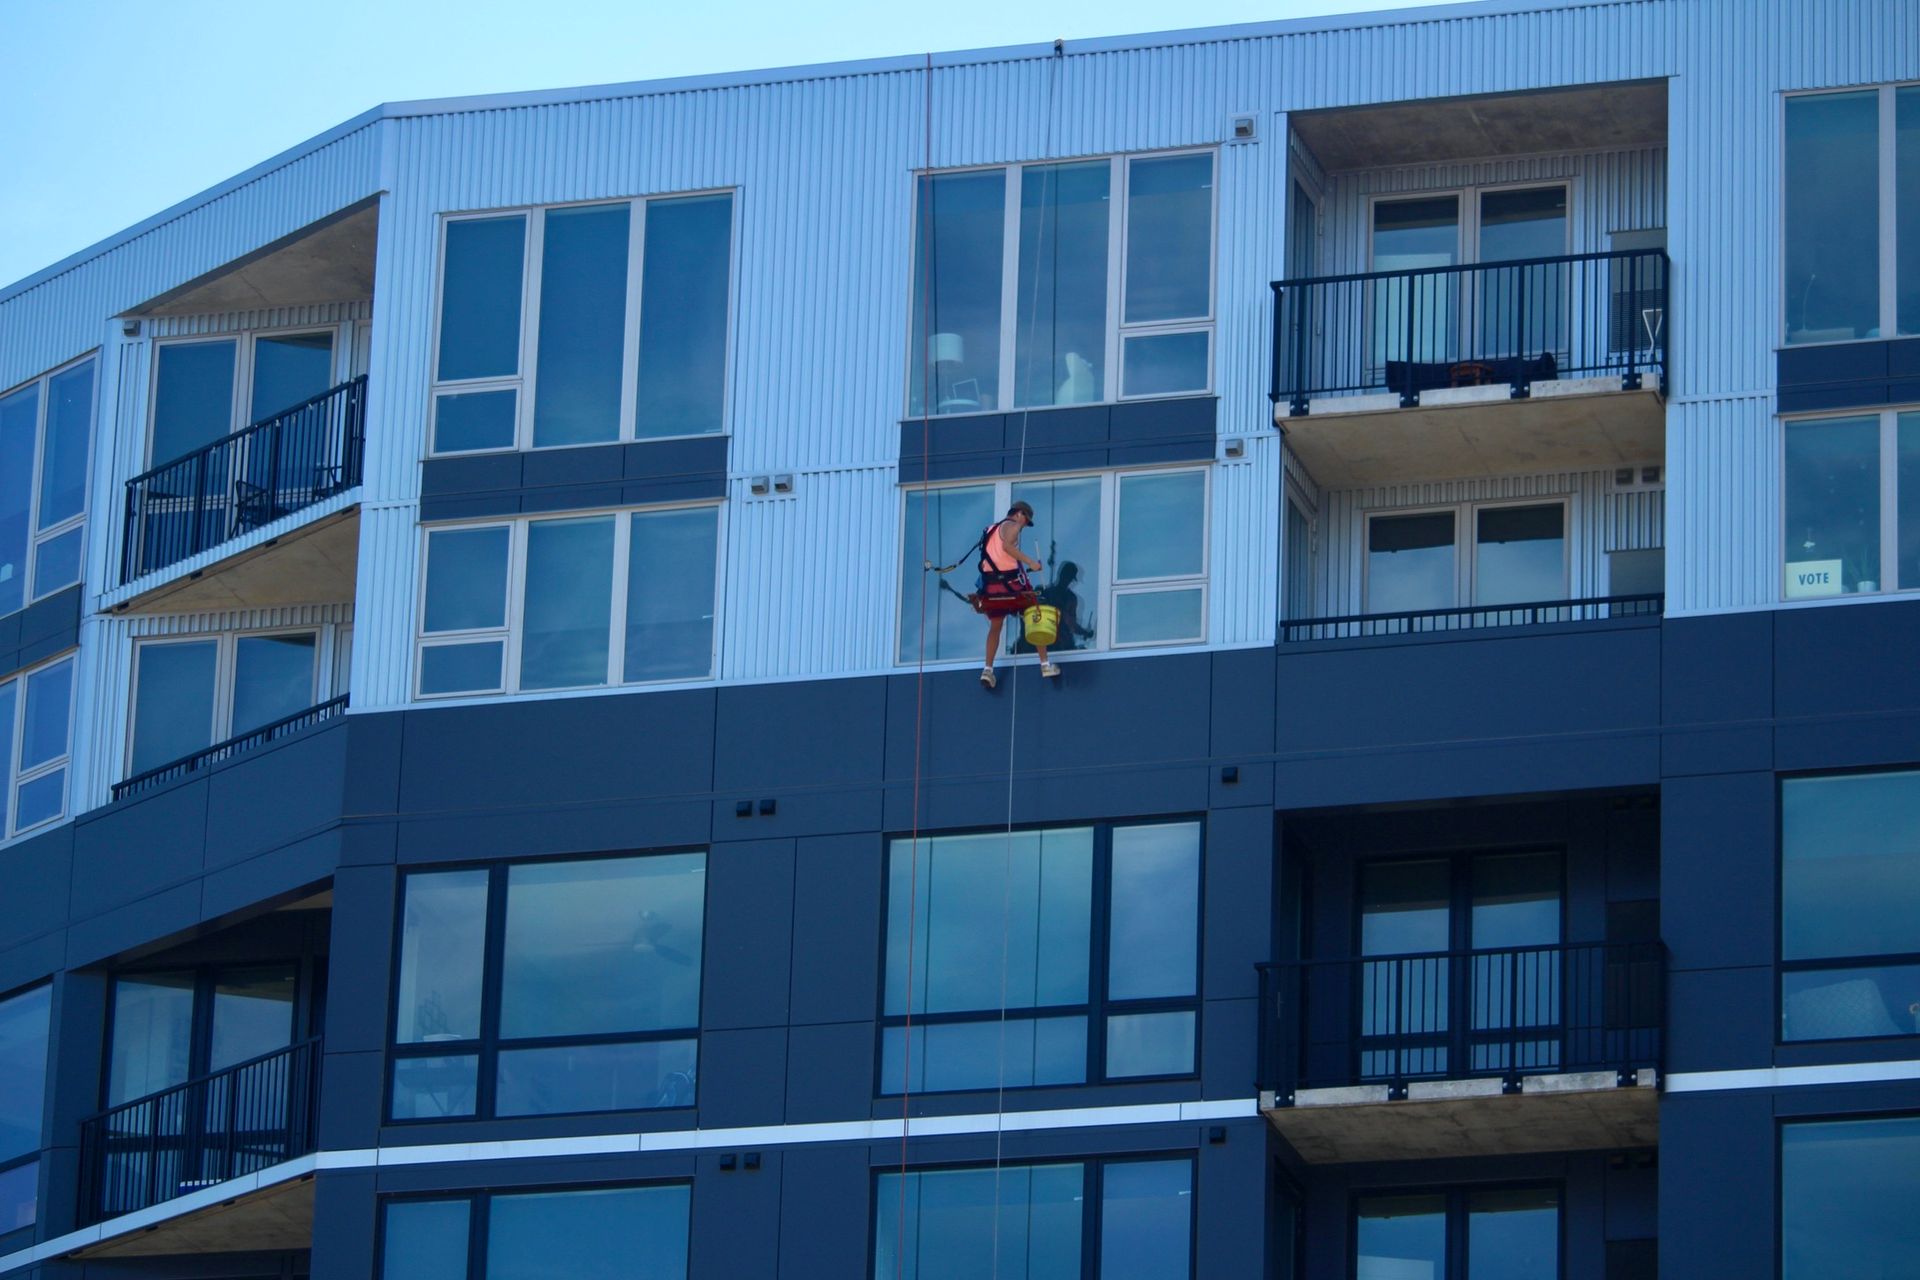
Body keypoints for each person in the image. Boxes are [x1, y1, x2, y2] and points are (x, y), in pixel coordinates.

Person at [974, 500, 1056, 687]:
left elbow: (997, 554)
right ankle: (1045, 664)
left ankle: (988, 669)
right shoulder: (1013, 525)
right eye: (1026, 521)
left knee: (996, 626)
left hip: (991, 587)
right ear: (1019, 514)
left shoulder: (991, 530)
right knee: (1035, 616)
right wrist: (1031, 563)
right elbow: (1007, 548)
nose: (1025, 525)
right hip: (1010, 585)